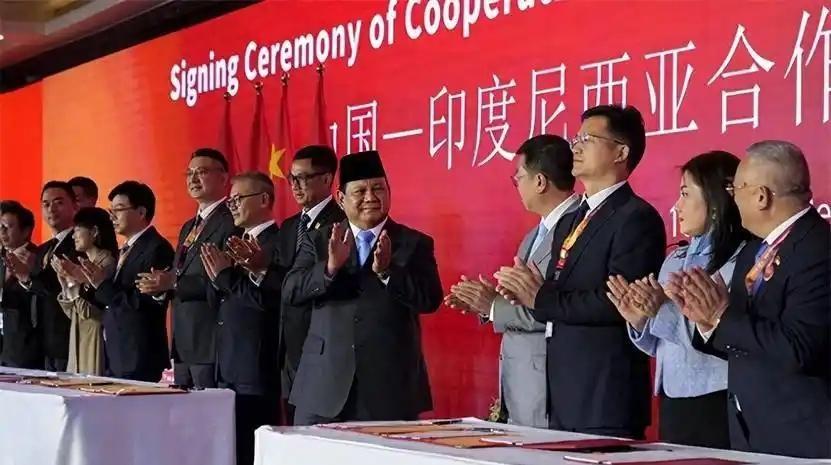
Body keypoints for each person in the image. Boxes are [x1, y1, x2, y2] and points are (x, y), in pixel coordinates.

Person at [495, 105, 665, 439]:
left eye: (588, 139)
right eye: (576, 139)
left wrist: (541, 297)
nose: (576, 146)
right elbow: (558, 293)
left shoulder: (635, 218)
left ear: (621, 152)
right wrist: (525, 293)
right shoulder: (571, 220)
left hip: (604, 393)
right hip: (561, 392)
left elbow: (617, 302)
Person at [673, 141, 830, 458]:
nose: (732, 197)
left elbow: (800, 348)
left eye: (736, 188)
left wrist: (720, 316)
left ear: (761, 196)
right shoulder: (753, 250)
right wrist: (706, 322)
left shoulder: (817, 249)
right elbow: (740, 340)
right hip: (751, 433)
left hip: (802, 437)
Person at [284, 150, 442, 425]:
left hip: (389, 387)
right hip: (323, 385)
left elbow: (429, 300)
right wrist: (329, 268)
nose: (370, 197)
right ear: (341, 198)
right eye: (360, 191)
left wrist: (388, 273)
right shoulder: (319, 240)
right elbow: (290, 291)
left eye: (378, 188)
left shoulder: (413, 242)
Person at [606, 151, 749, 448]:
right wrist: (639, 320)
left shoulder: (740, 261)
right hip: (672, 395)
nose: (677, 206)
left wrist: (661, 310)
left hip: (716, 394)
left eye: (685, 194)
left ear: (715, 201)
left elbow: (721, 338)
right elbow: (660, 344)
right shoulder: (674, 259)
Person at [445, 135, 578, 428]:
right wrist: (488, 302)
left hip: (551, 385)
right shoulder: (535, 234)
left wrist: (494, 307)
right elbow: (526, 299)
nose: (516, 185)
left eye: (518, 177)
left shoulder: (577, 229)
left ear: (540, 182)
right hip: (523, 384)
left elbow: (560, 308)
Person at [136, 148, 238, 389]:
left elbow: (225, 280)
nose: (193, 179)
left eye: (201, 172)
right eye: (189, 173)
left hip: (210, 341)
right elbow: (179, 274)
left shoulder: (232, 220)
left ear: (224, 178)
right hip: (183, 342)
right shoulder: (188, 226)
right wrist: (161, 285)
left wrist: (173, 282)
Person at [202, 171, 284, 465]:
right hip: (226, 363)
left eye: (239, 199)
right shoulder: (233, 242)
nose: (232, 206)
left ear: (263, 200)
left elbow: (269, 301)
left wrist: (225, 277)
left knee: (252, 450)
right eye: (231, 201)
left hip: (257, 366)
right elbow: (221, 298)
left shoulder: (278, 243)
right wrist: (217, 278)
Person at [79, 181, 174, 381]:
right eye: (111, 210)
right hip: (117, 353)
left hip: (140, 355)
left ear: (141, 212)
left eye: (119, 209)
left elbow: (139, 303)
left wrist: (101, 284)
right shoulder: (126, 249)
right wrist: (88, 282)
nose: (112, 216)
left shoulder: (156, 248)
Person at [278, 145, 345, 411]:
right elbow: (285, 281)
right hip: (287, 346)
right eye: (292, 178)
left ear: (327, 179)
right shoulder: (289, 226)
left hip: (320, 345)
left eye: (303, 178)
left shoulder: (340, 224)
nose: (295, 185)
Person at [6, 181, 80, 371]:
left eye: (58, 202)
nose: (51, 209)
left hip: (65, 340)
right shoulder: (43, 249)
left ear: (75, 205)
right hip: (39, 344)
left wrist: (27, 277)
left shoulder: (79, 246)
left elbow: (61, 292)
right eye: (46, 204)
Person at [52, 207, 117, 376]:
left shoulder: (107, 263)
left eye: (77, 230)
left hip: (95, 337)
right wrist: (66, 283)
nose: (73, 236)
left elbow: (89, 311)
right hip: (78, 336)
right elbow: (72, 312)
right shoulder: (83, 263)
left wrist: (72, 281)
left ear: (94, 231)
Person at [0, 200, 42, 368]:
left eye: (7, 226)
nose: (2, 231)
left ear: (25, 231)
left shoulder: (38, 257)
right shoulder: (2, 258)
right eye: (0, 227)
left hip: (25, 345)